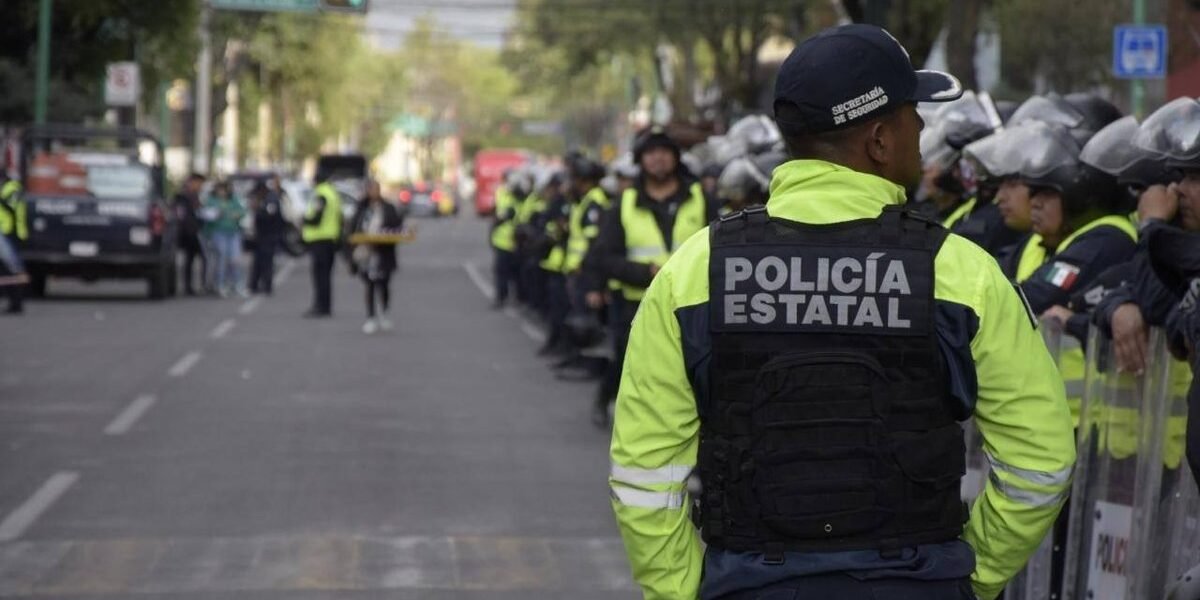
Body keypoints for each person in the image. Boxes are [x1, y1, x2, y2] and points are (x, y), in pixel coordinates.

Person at [609, 24, 1076, 600]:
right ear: (879, 140)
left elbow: (643, 474)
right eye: (912, 115)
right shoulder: (961, 273)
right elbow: (1041, 460)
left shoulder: (693, 272)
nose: (922, 130)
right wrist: (972, 576)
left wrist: (683, 590)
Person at [584, 128, 714, 427]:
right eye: (651, 153)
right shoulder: (625, 203)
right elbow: (605, 257)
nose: (658, 158)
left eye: (665, 152)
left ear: (676, 158)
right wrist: (645, 273)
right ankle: (607, 399)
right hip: (635, 303)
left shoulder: (700, 198)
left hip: (692, 301)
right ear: (640, 160)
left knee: (690, 364)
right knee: (628, 361)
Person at [348, 180, 405, 335]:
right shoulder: (362, 208)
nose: (374, 192)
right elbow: (353, 228)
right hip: (366, 252)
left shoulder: (388, 207)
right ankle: (371, 317)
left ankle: (384, 313)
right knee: (370, 285)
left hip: (384, 252)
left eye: (376, 189)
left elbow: (396, 226)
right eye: (371, 189)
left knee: (384, 284)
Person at [303, 173, 343, 318]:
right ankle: (325, 306)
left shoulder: (321, 195)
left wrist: (304, 220)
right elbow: (340, 217)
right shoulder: (332, 193)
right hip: (330, 239)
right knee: (326, 275)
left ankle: (320, 306)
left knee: (320, 276)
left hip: (320, 240)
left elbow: (316, 219)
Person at [204, 181, 248, 298]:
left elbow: (242, 212)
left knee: (235, 259)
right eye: (220, 189)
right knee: (221, 259)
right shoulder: (212, 201)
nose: (222, 192)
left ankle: (237, 284)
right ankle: (220, 284)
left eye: (224, 189)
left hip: (233, 232)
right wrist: (217, 214)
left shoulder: (233, 200)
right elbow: (207, 215)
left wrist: (236, 215)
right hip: (219, 233)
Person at [490, 170, 523, 309]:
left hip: (516, 240)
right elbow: (496, 213)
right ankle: (501, 297)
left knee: (516, 272)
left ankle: (518, 298)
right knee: (501, 271)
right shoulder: (501, 193)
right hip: (501, 241)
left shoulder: (519, 195)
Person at [248, 177, 287, 296]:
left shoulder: (271, 199)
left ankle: (266, 286)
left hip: (269, 236)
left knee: (267, 262)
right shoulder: (266, 199)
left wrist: (258, 209)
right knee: (258, 261)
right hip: (262, 236)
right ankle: (254, 285)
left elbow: (269, 216)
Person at [173, 173, 207, 296]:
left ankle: (195, 285)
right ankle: (189, 286)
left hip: (194, 231)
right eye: (199, 183)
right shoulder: (183, 197)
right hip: (188, 232)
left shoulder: (196, 196)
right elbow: (181, 215)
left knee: (195, 258)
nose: (200, 186)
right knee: (192, 258)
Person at [0, 172, 27, 313]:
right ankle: (12, 301)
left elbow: (11, 207)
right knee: (6, 270)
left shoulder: (13, 188)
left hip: (11, 233)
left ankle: (16, 303)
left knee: (13, 269)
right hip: (4, 232)